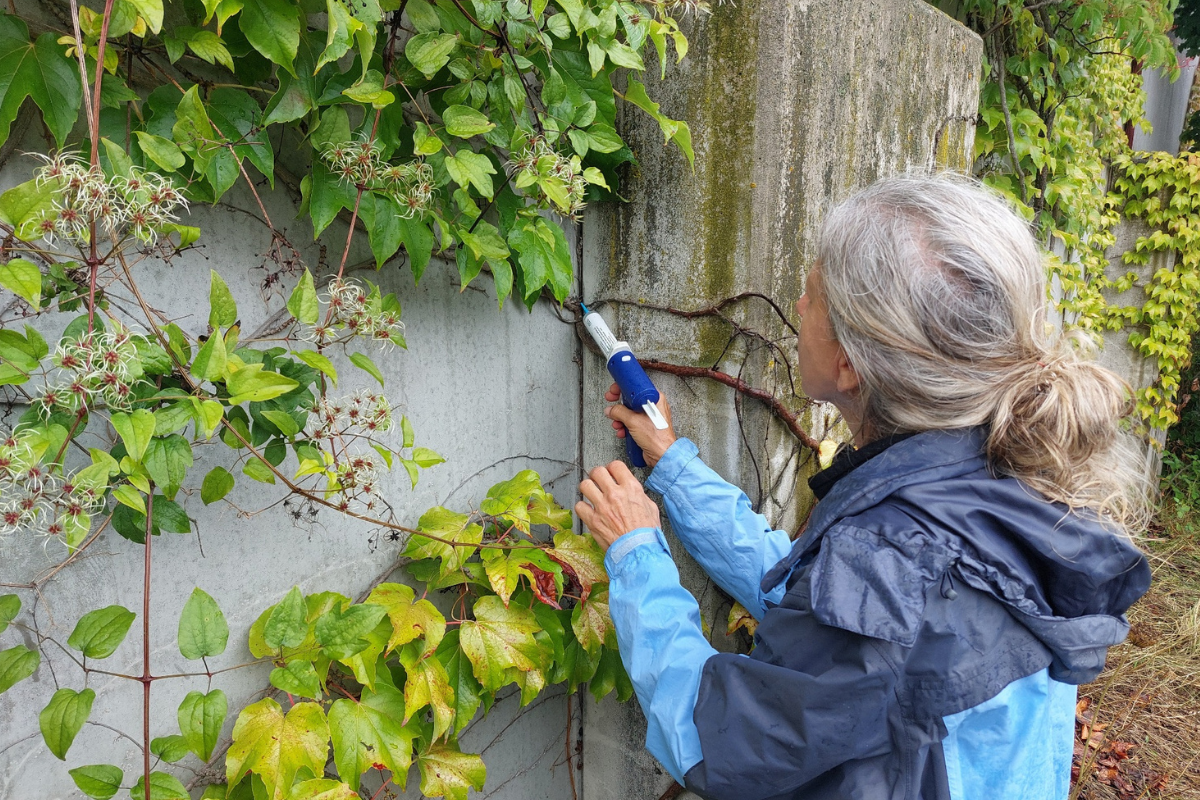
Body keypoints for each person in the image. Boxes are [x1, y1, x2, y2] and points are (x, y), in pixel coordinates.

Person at [574, 175, 1151, 800]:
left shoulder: (900, 561)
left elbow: (712, 737)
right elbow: (822, 605)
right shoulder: (995, 477)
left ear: (849, 363)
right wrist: (674, 468)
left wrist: (637, 555)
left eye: (811, 294)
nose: (796, 307)